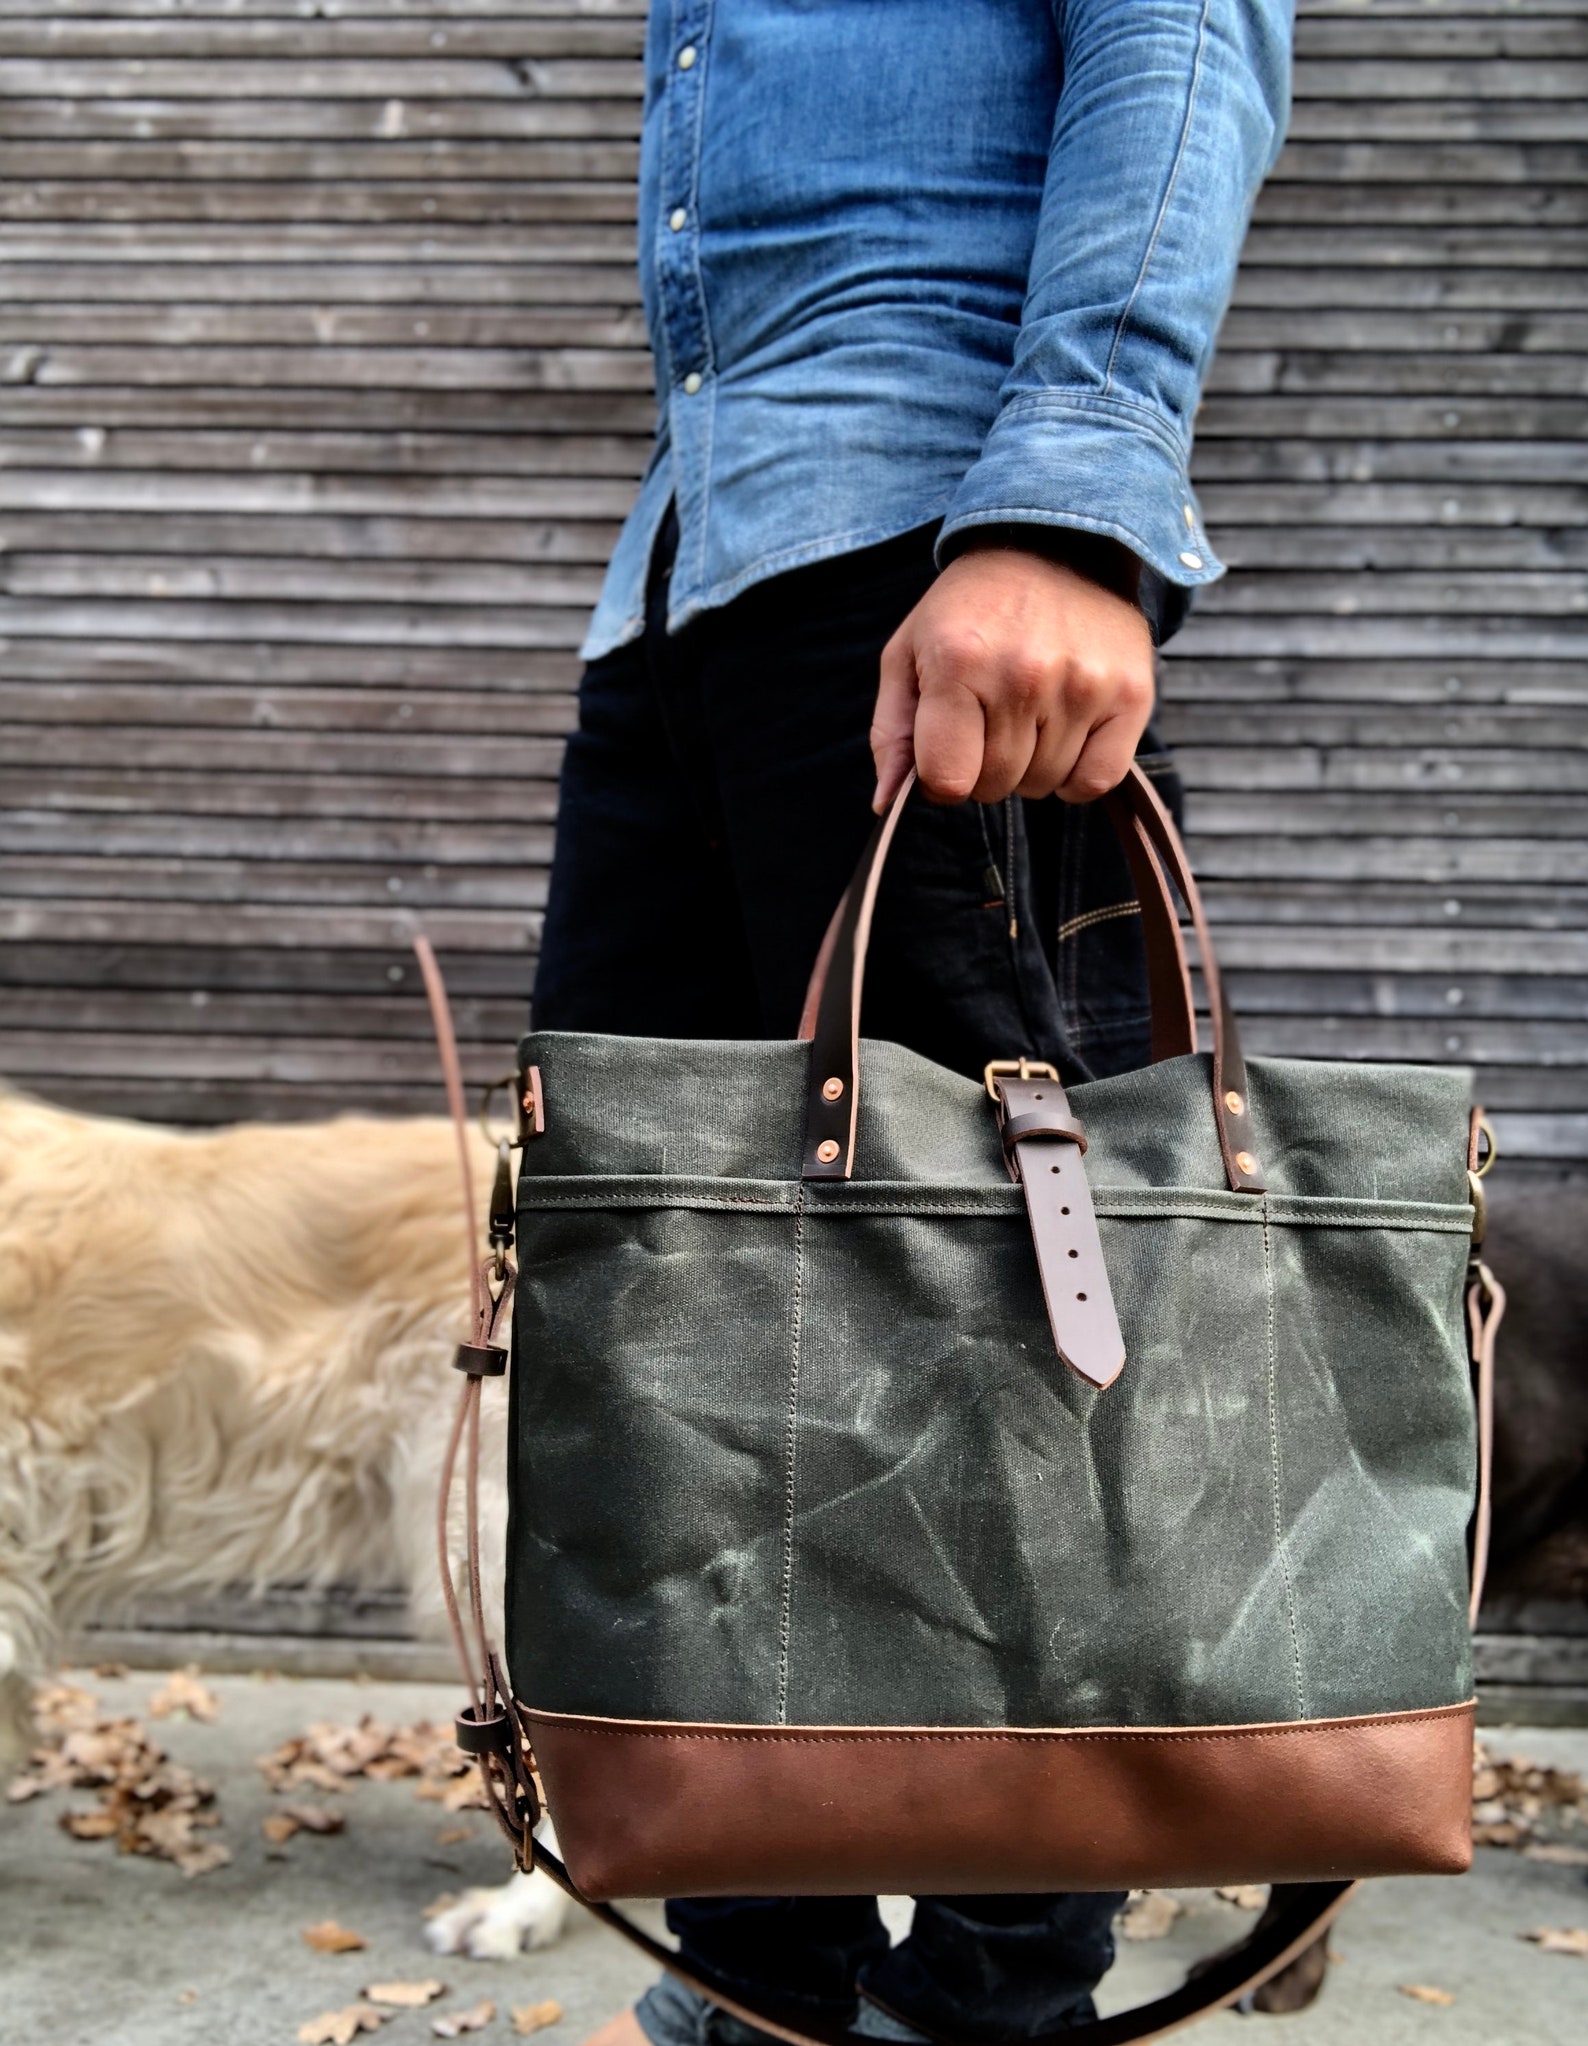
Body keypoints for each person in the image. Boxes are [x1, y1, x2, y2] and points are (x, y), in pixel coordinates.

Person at [532, 3, 1293, 2039]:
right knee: (666, 1331)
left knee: (1021, 1334)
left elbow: (1182, 32)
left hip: (929, 561)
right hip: (692, 577)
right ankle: (755, 1985)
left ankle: (984, 2007)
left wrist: (1072, 494)